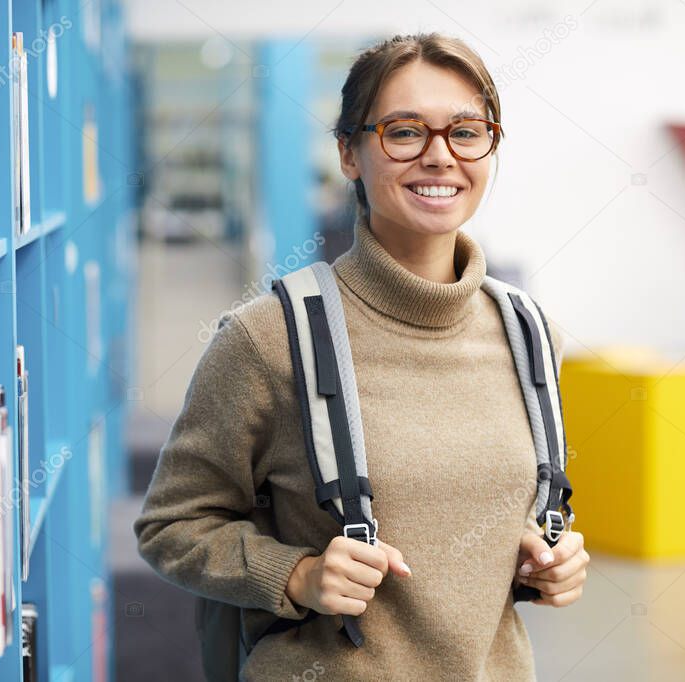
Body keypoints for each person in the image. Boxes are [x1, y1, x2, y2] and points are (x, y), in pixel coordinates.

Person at [134, 32, 590, 681]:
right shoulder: (267, 339)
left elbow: (496, 504)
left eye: (466, 131)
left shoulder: (529, 331)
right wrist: (296, 575)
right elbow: (172, 524)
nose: (439, 157)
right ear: (349, 152)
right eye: (404, 132)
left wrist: (544, 557)